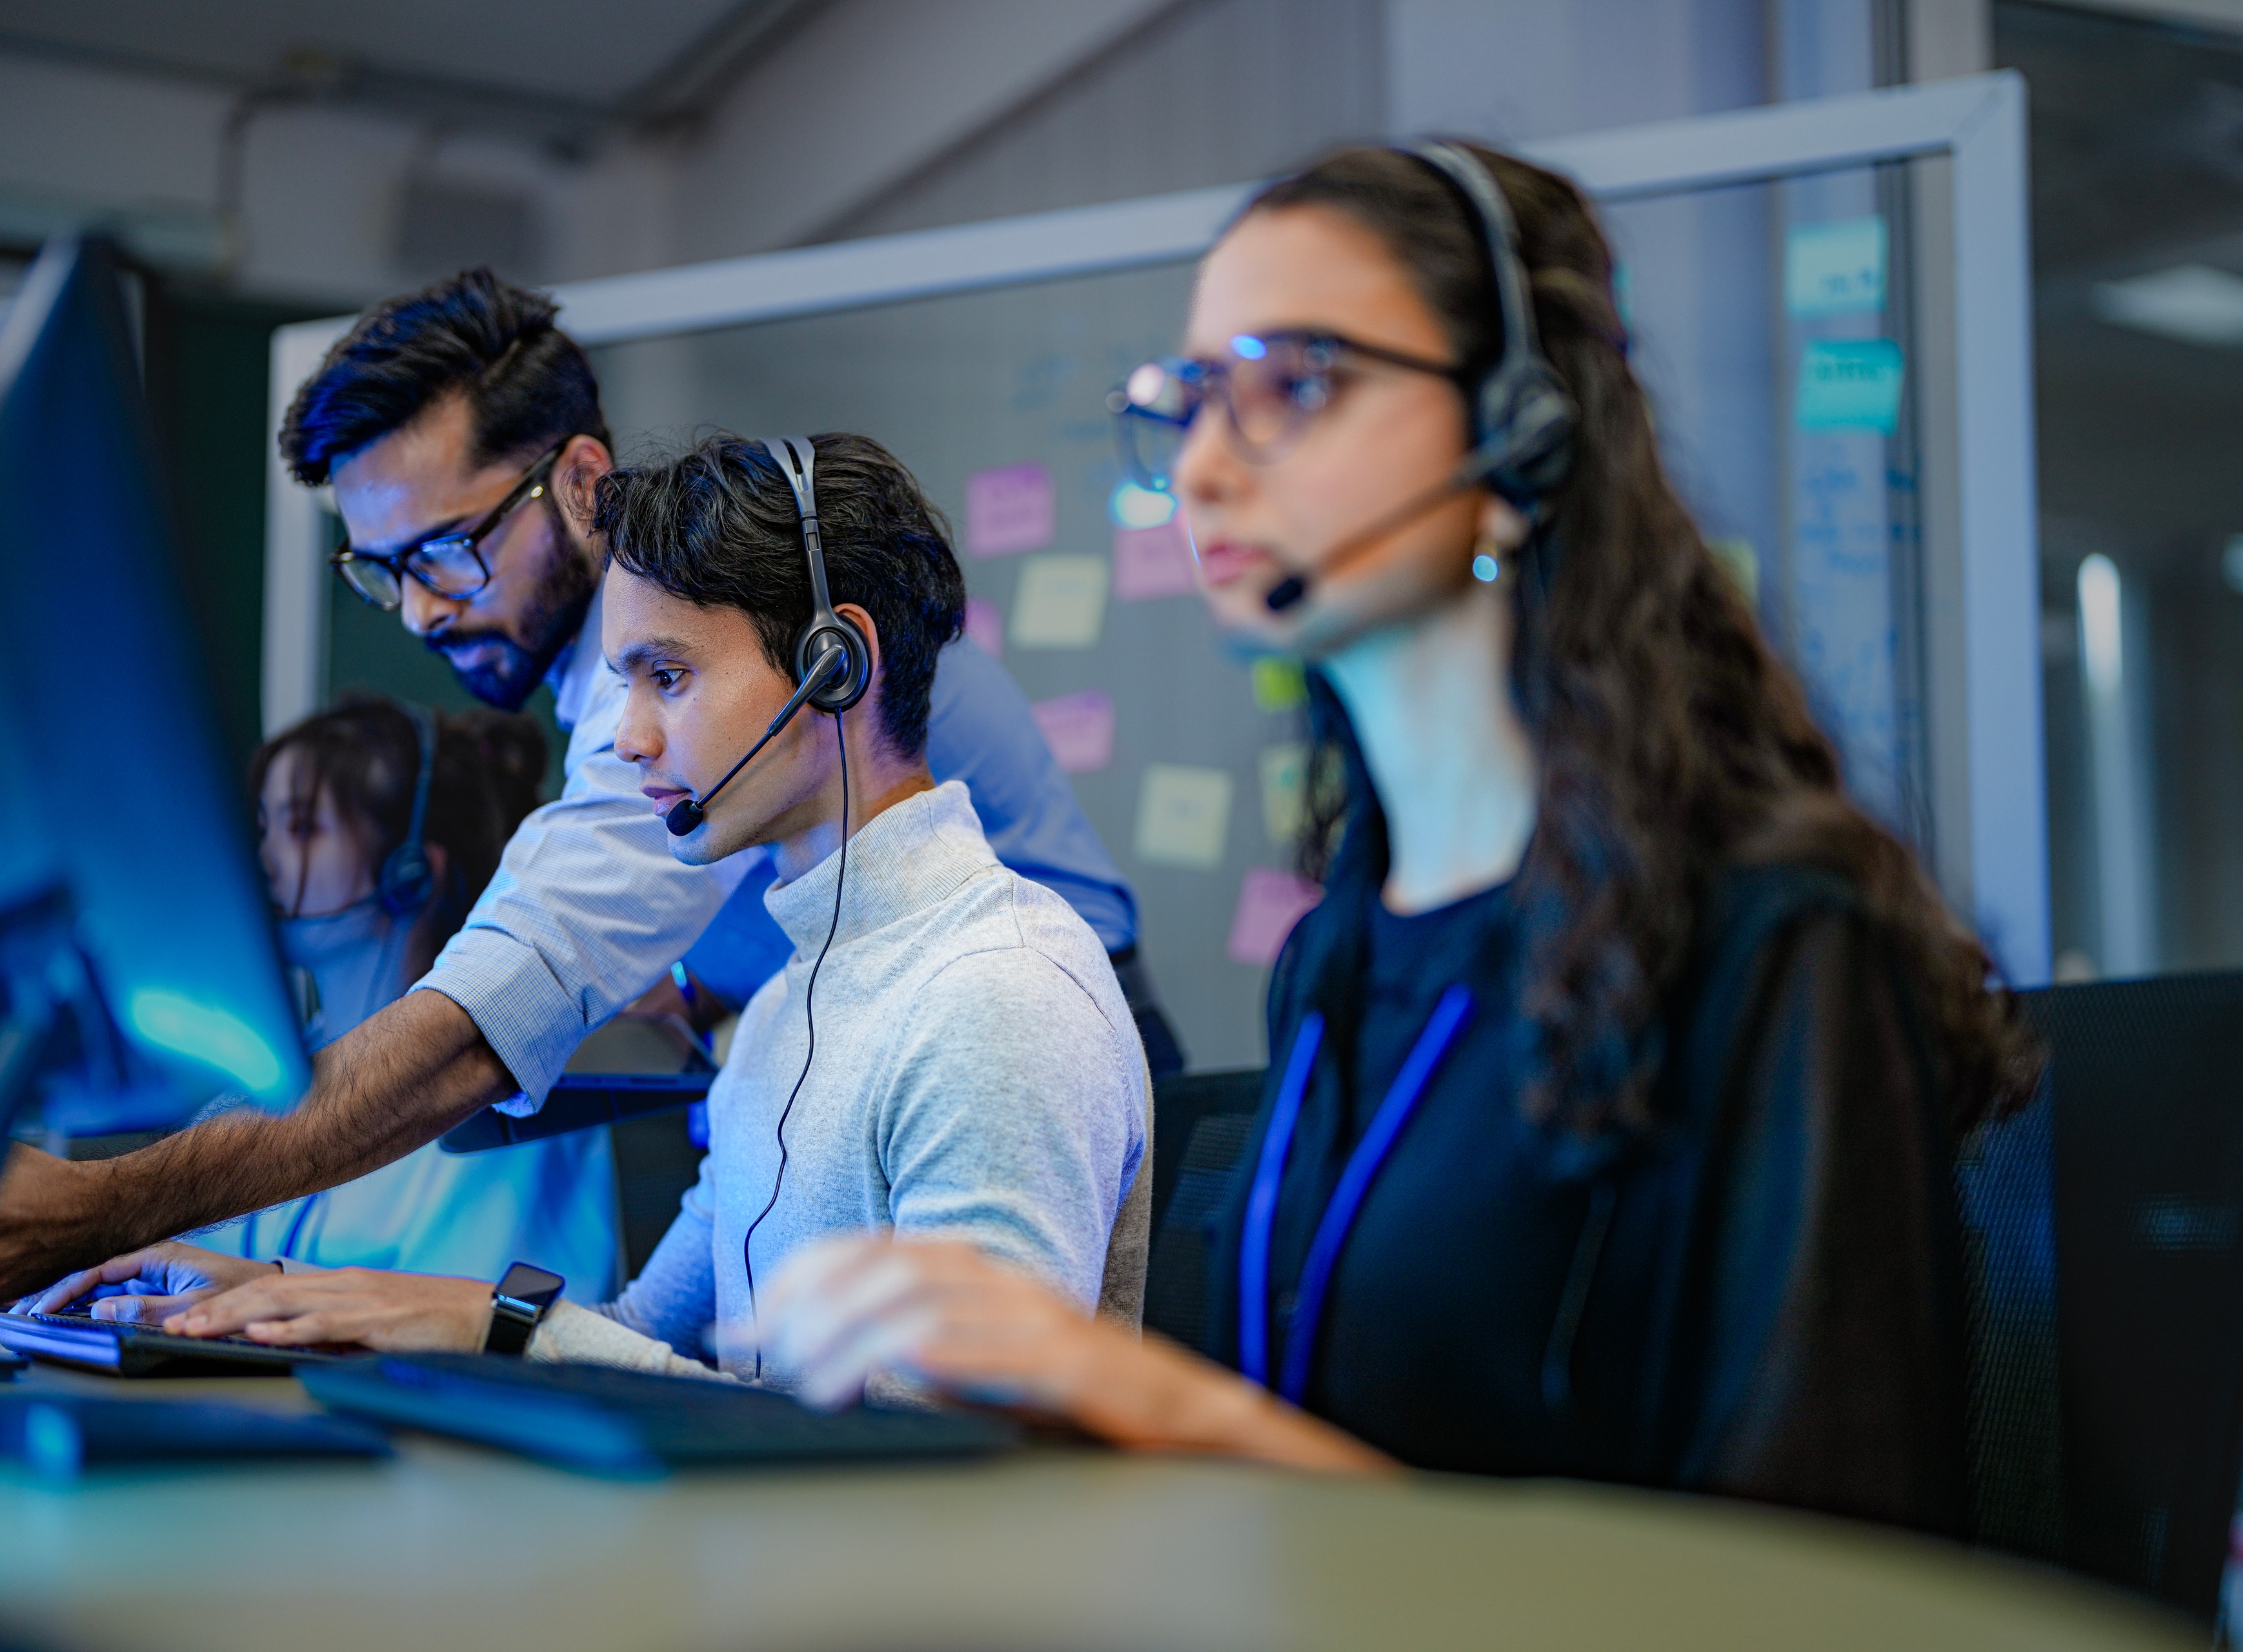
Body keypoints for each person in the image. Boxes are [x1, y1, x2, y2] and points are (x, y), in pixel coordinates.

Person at [745, 141, 2036, 1532]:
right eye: (1189, 401)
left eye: (1296, 384)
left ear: (1519, 434)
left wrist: (1163, 1404)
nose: (1206, 465)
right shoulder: (1341, 948)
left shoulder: (1774, 944)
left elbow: (1805, 1601)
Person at [0, 270, 1173, 1313]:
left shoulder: (751, 686)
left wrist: (102, 1201)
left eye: (448, 549)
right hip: (822, 1017)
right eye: (381, 573)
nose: (420, 609)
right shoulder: (649, 711)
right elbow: (666, 1361)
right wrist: (342, 1294)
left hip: (985, 1053)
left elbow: (474, 1025)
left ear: (578, 481)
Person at [193, 695, 617, 1294]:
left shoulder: (503, 1090)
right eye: (265, 828)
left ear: (411, 871)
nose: (262, 859)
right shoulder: (255, 1086)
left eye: (304, 827)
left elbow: (475, 1333)